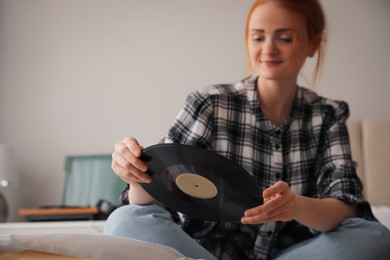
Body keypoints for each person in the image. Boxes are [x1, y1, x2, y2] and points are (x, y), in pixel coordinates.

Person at [104, 0, 390, 259]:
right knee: (124, 221)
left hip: (291, 254)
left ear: (312, 43)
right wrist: (135, 173)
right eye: (258, 37)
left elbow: (346, 206)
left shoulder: (327, 115)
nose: (268, 49)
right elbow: (156, 195)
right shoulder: (210, 104)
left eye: (285, 38)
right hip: (203, 252)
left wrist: (296, 207)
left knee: (375, 238)